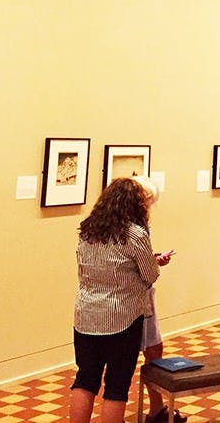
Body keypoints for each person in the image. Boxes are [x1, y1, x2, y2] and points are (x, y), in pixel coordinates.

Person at [70, 178, 160, 423]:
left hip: (86, 314)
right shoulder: (135, 234)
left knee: (85, 379)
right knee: (117, 384)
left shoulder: (88, 231)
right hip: (123, 317)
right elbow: (150, 274)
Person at [130, 177, 185, 423]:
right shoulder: (136, 230)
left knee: (153, 351)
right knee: (145, 353)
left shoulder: (110, 226)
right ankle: (152, 410)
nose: (149, 208)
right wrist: (153, 264)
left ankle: (156, 408)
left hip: (137, 297)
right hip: (136, 300)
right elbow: (143, 271)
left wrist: (153, 259)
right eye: (148, 202)